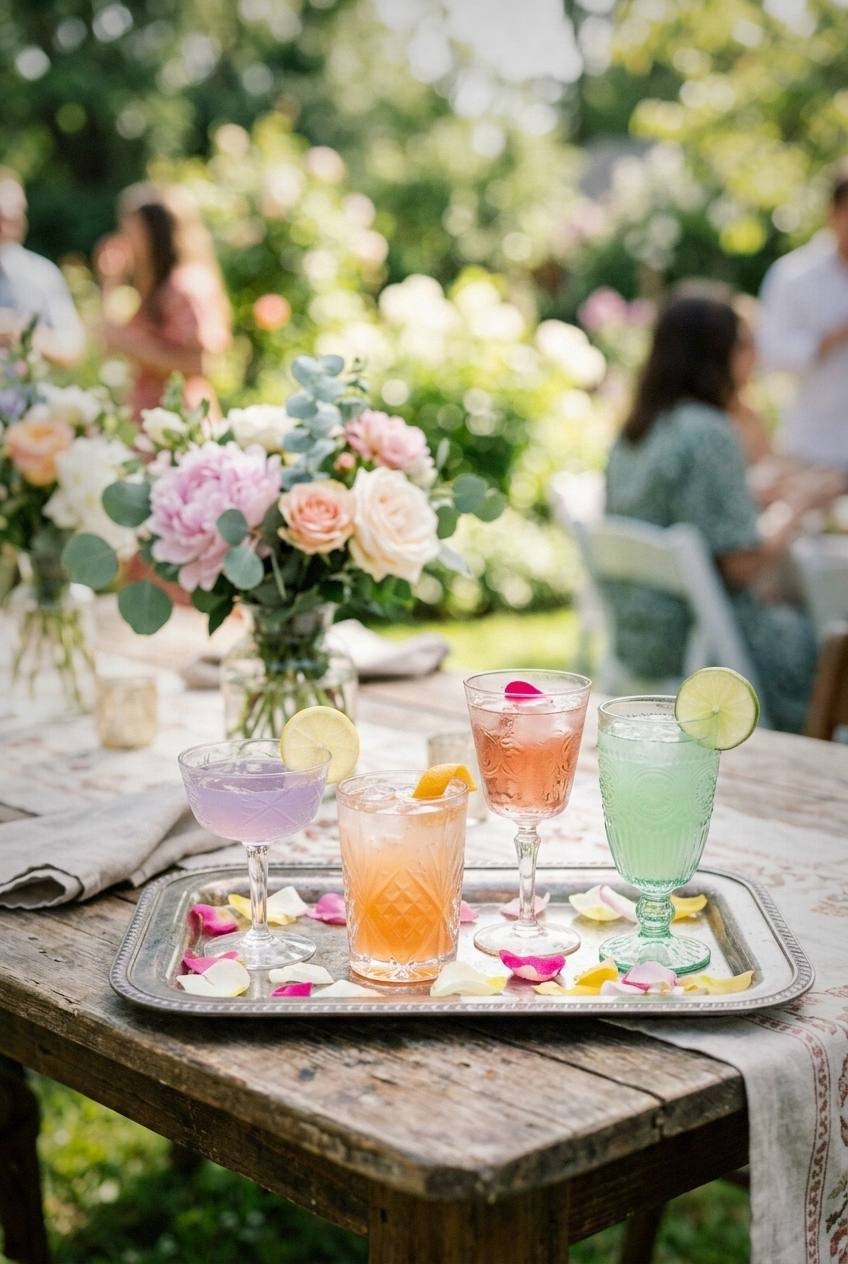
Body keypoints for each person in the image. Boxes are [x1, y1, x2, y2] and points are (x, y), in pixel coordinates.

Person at [604, 293, 818, 733]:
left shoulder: (636, 431)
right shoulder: (709, 432)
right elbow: (741, 567)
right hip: (701, 644)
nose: (754, 356)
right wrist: (795, 512)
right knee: (829, 634)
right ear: (713, 354)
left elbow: (681, 511)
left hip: (641, 636)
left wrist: (753, 496)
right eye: (743, 344)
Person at [95, 184, 231, 420]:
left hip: (183, 421)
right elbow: (108, 344)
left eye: (131, 231)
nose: (124, 239)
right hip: (155, 419)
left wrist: (130, 345)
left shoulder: (186, 287)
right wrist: (110, 282)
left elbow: (201, 364)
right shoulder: (155, 288)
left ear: (155, 234)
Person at [757, 160, 848, 475]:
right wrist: (834, 337)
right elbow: (771, 354)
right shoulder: (794, 276)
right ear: (834, 212)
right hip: (817, 446)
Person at [0, 168, 85, 366]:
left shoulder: (42, 275)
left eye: (15, 216)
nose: (6, 226)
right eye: (0, 216)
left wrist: (20, 332)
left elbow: (71, 349)